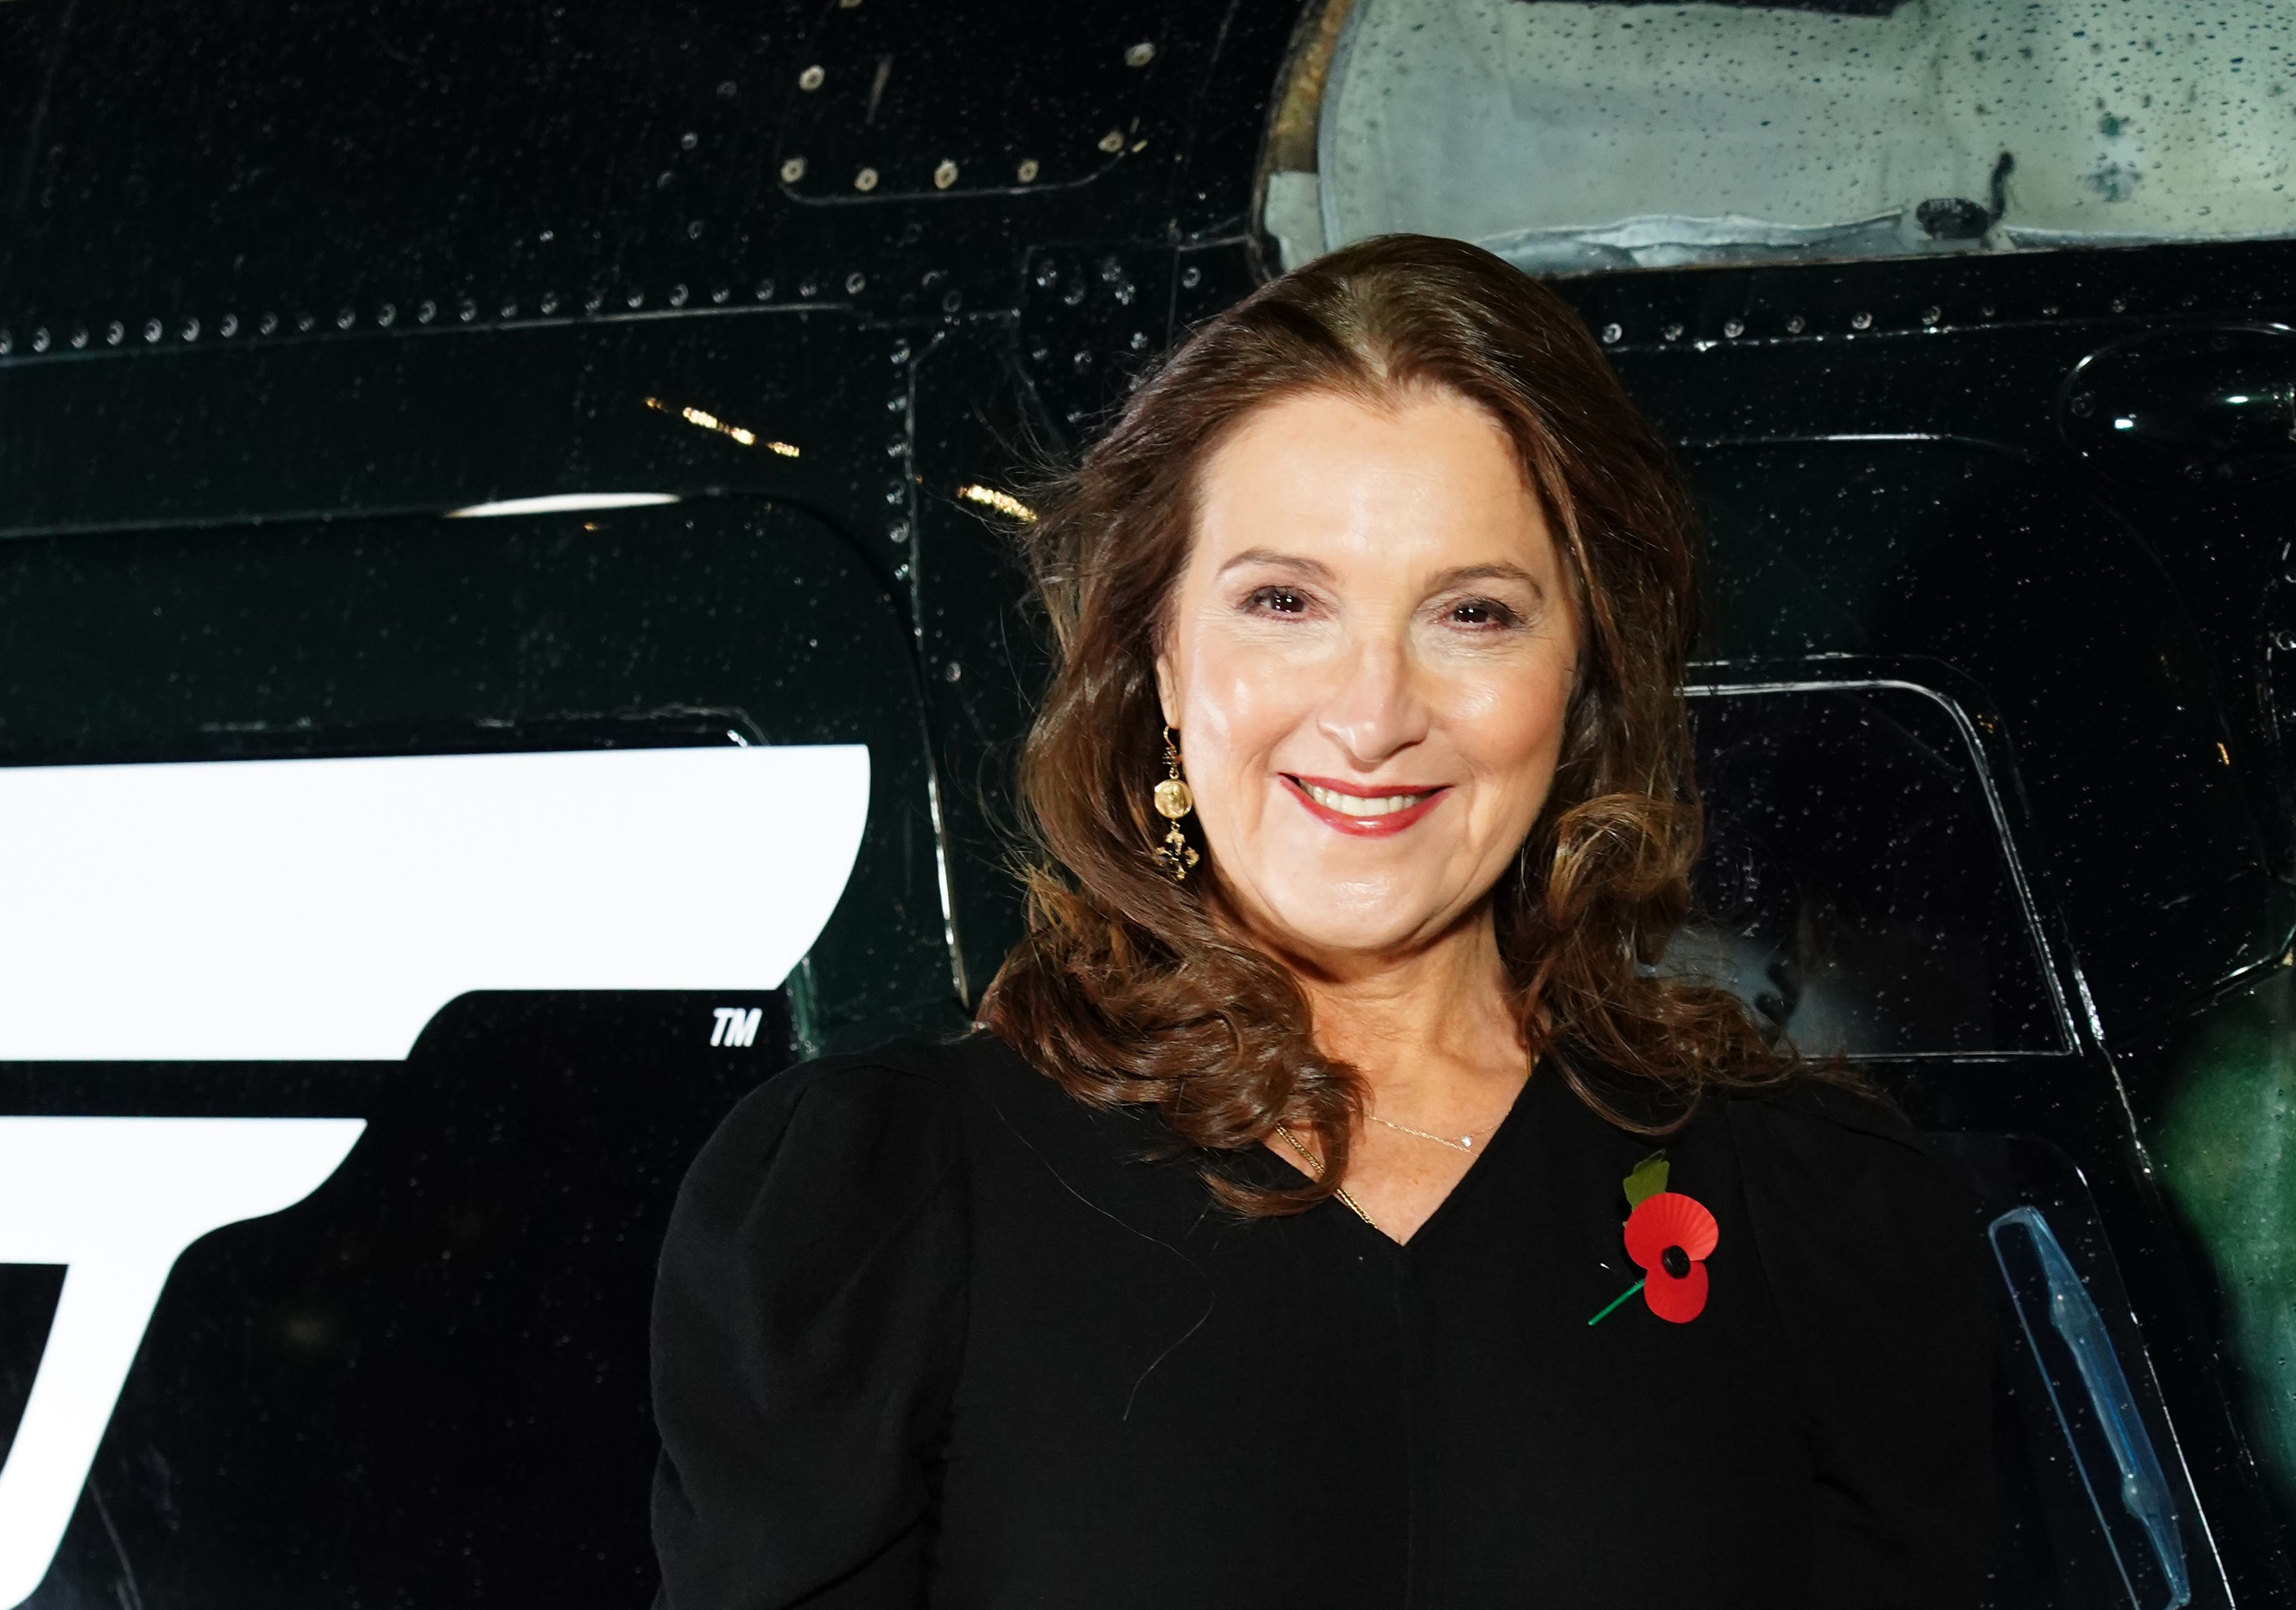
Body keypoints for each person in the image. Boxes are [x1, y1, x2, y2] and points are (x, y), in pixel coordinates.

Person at [648, 234, 1992, 1607]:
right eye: (1282, 602)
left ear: (1580, 676)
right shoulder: (881, 1209)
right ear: (1158, 657)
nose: (1370, 718)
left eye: (1472, 614)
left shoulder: (1809, 1206)